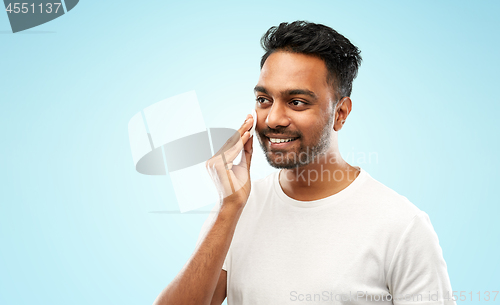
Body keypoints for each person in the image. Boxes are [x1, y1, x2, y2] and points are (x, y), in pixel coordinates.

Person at [153, 21, 456, 305]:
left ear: (341, 113)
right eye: (264, 100)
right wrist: (228, 209)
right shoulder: (237, 209)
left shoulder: (402, 226)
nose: (273, 119)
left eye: (297, 102)